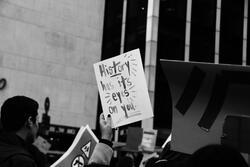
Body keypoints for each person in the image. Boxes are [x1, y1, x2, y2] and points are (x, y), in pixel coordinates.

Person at [0, 96, 114, 167]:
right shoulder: (21, 161)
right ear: (30, 121)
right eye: (37, 121)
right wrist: (105, 140)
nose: (37, 126)